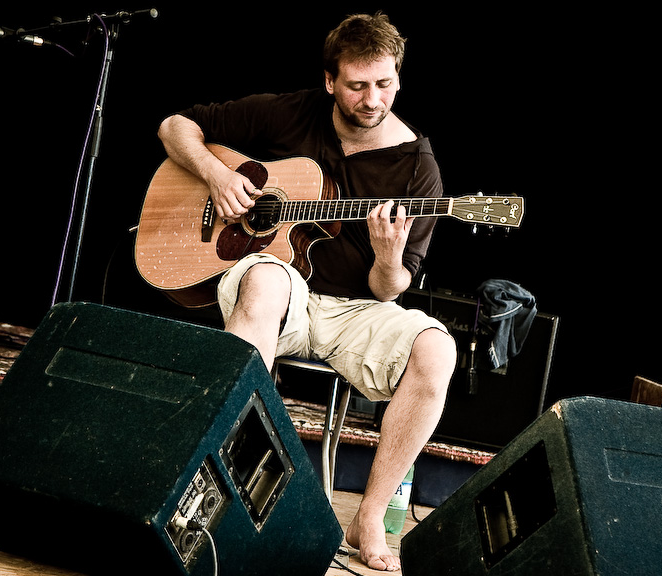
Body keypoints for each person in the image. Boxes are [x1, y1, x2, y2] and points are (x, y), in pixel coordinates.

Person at [156, 12, 456, 572]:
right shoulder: (293, 111)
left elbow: (388, 290)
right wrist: (218, 177)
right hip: (280, 287)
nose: (372, 99)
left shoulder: (419, 169)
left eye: (385, 83)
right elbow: (176, 126)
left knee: (437, 349)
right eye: (357, 85)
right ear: (329, 81)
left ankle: (369, 516)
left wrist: (388, 257)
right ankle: (215, 477)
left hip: (356, 308)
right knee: (267, 278)